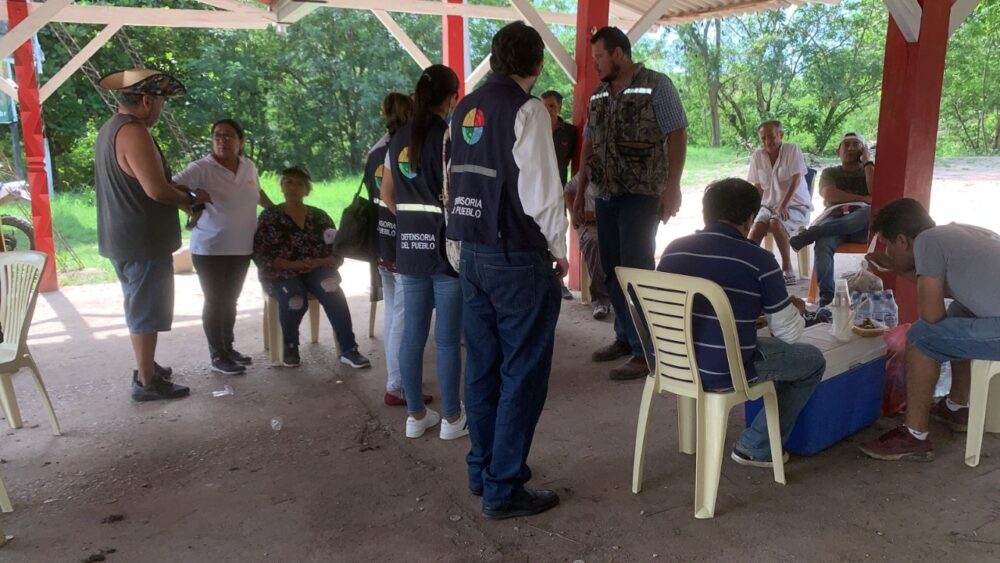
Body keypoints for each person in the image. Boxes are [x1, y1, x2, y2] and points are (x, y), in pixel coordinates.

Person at [447, 22, 569, 520]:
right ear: (537, 65)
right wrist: (560, 249)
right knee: (522, 372)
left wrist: (457, 246)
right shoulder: (529, 110)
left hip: (471, 253)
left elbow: (454, 182)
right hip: (517, 255)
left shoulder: (463, 108)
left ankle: (482, 470)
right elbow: (542, 193)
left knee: (482, 367)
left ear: (495, 60)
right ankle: (504, 487)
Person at [658, 178, 825, 466]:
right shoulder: (758, 259)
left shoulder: (674, 249)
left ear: (705, 213)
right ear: (750, 219)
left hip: (669, 360)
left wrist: (752, 315)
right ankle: (756, 446)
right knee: (811, 361)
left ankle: (697, 440)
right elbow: (788, 333)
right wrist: (793, 310)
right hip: (723, 370)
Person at [575, 26, 688, 381]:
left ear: (619, 54)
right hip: (606, 194)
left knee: (637, 273)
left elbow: (677, 133)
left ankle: (647, 352)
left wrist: (673, 187)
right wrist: (580, 193)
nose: (595, 64)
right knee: (612, 271)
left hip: (642, 194)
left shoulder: (658, 85)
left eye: (599, 57)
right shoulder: (597, 96)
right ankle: (625, 337)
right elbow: (588, 145)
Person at [95, 68, 210, 402]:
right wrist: (191, 200)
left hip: (124, 236)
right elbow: (156, 190)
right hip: (141, 239)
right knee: (145, 310)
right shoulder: (134, 132)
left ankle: (146, 366)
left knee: (139, 305)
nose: (161, 109)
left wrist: (182, 194)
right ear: (146, 100)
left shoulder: (110, 129)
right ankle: (147, 382)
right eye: (161, 102)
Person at [859, 198, 1000, 462]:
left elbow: (932, 316)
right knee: (960, 311)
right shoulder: (957, 230)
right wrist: (897, 268)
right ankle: (956, 407)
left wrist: (902, 269)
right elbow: (957, 290)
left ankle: (914, 435)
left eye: (888, 245)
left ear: (902, 241)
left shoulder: (926, 243)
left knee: (921, 336)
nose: (887, 252)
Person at [380, 65, 466, 441]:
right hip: (445, 251)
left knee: (412, 336)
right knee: (447, 339)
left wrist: (413, 223)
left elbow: (389, 195)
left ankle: (415, 416)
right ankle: (451, 418)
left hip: (408, 249)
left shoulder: (397, 137)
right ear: (450, 99)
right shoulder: (449, 136)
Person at [173, 118, 274, 375]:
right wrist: (192, 199)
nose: (222, 140)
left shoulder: (248, 166)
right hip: (211, 248)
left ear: (240, 141)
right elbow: (169, 186)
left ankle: (228, 348)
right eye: (217, 135)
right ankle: (217, 355)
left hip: (242, 246)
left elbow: (257, 192)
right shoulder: (202, 168)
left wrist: (275, 211)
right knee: (216, 300)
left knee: (231, 300)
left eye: (229, 136)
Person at [252, 166, 371, 370]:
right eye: (289, 182)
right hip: (282, 273)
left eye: (299, 184)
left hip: (317, 270)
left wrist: (321, 262)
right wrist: (293, 265)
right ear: (281, 187)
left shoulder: (319, 216)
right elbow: (262, 255)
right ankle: (290, 345)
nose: (293, 188)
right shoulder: (269, 217)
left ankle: (349, 349)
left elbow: (336, 249)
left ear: (307, 190)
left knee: (332, 288)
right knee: (295, 299)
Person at [364, 92, 432, 407]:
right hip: (404, 243)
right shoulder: (402, 148)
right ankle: (398, 385)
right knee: (405, 317)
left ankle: (397, 379)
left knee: (394, 313)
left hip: (381, 241)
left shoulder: (375, 150)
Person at [789, 133, 874, 307]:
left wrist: (868, 163)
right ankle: (827, 297)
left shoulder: (870, 170)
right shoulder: (830, 172)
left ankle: (813, 233)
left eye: (856, 144)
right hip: (834, 220)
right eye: (847, 145)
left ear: (863, 149)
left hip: (861, 227)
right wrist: (863, 198)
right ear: (838, 151)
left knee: (868, 211)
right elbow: (829, 194)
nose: (851, 148)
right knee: (823, 244)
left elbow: (877, 192)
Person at [746, 120, 812, 285]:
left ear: (780, 135)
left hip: (795, 206)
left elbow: (796, 179)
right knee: (757, 226)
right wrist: (753, 210)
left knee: (776, 222)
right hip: (768, 205)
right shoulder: (757, 156)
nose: (767, 142)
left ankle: (787, 266)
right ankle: (749, 267)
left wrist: (783, 205)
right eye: (763, 138)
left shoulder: (792, 149)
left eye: (771, 137)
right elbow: (758, 187)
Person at [540, 90, 578, 301]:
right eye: (544, 106)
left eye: (552, 106)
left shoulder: (570, 132)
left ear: (560, 107)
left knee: (558, 233)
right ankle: (542, 279)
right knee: (537, 235)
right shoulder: (535, 129)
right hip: (536, 192)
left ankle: (559, 282)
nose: (548, 110)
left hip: (559, 194)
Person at [564, 174, 610, 319]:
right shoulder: (591, 168)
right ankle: (601, 299)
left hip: (619, 222)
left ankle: (629, 298)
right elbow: (568, 190)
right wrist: (574, 215)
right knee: (594, 242)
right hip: (591, 224)